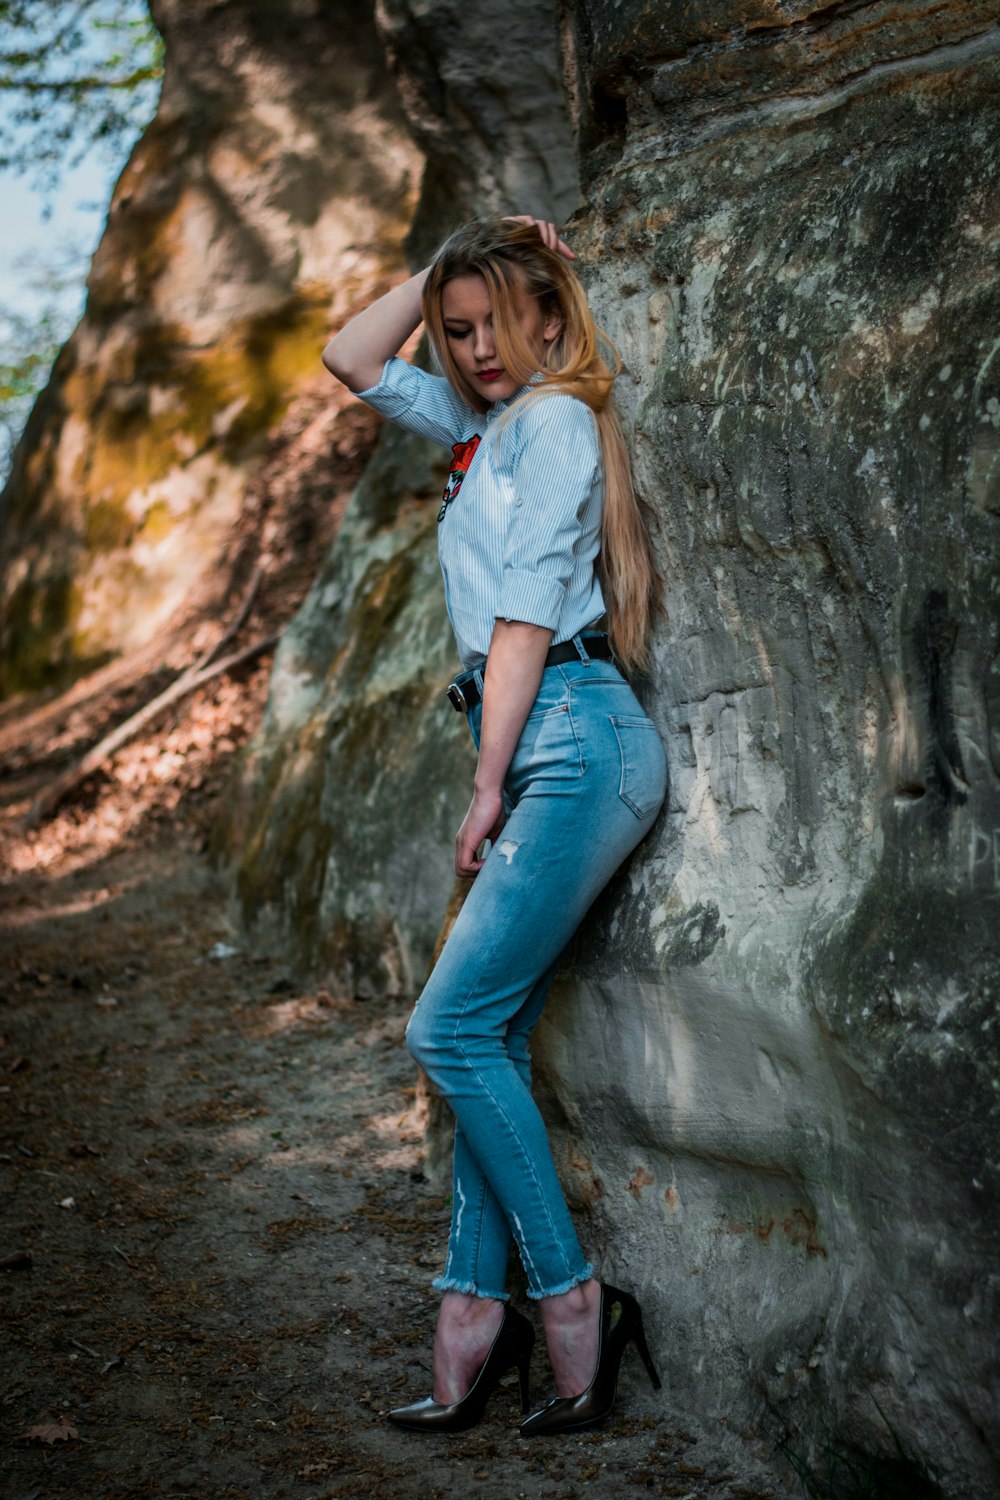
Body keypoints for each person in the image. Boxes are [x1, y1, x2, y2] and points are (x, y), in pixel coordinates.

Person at [322, 216, 667, 1436]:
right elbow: (349, 358)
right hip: (542, 743)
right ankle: (473, 1312)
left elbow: (522, 619)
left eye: (497, 324)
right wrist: (440, 267)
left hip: (569, 736)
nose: (474, 348)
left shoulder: (559, 422)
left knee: (446, 1025)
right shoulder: (482, 428)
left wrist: (485, 782)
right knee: (490, 1029)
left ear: (553, 322)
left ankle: (570, 1302)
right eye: (458, 329)